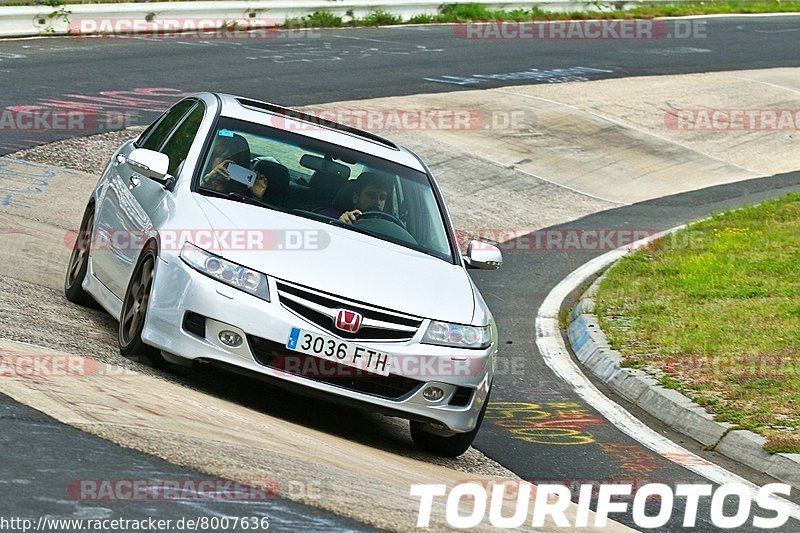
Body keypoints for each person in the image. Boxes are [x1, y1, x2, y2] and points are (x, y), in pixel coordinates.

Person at [201, 133, 268, 201]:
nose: (225, 165)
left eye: (231, 162)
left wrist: (257, 197)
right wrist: (207, 180)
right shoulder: (199, 176)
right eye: (222, 156)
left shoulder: (244, 191)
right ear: (211, 159)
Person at [321, 172, 392, 224]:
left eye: (382, 198)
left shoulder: (388, 228)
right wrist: (338, 225)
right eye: (371, 195)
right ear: (355, 198)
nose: (377, 202)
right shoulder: (329, 216)